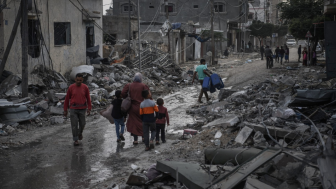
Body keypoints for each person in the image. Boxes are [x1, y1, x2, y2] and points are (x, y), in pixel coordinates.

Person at [121, 73, 151, 145]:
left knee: (134, 123)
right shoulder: (144, 86)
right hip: (143, 107)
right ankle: (143, 137)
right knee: (143, 122)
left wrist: (127, 97)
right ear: (140, 78)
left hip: (132, 108)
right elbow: (149, 95)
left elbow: (123, 93)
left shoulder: (129, 85)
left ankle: (135, 140)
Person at [64, 73, 92, 146]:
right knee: (74, 124)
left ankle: (80, 133)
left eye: (80, 80)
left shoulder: (85, 87)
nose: (78, 81)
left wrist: (89, 108)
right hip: (73, 109)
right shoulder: (71, 87)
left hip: (82, 109)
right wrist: (65, 109)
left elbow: (88, 98)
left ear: (82, 80)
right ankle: (75, 139)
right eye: (77, 80)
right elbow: (67, 99)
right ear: (75, 79)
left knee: (83, 123)